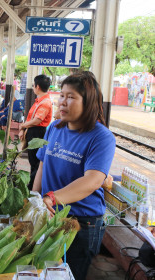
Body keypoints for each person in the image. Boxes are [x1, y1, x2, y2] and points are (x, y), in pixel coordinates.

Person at [33, 71, 116, 280]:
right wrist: (33, 199)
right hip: (50, 214)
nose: (63, 101)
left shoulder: (101, 137)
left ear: (88, 103)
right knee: (44, 271)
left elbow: (93, 180)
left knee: (68, 275)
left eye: (71, 97)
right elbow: (42, 166)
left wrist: (51, 197)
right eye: (61, 95)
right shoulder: (54, 127)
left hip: (82, 223)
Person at [19, 75, 52, 190]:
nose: (33, 87)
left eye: (33, 85)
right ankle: (33, 184)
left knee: (36, 162)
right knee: (33, 160)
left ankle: (33, 187)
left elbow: (38, 120)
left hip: (37, 133)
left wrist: (23, 126)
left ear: (37, 86)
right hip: (33, 131)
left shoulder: (45, 102)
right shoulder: (39, 101)